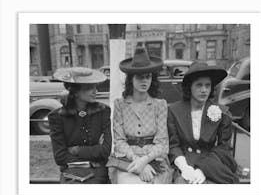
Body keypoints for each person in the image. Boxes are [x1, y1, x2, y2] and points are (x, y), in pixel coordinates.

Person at [107, 45, 173, 184]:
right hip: (127, 159)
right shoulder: (120, 104)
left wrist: (144, 161)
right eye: (139, 77)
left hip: (155, 160)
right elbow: (119, 141)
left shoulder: (159, 105)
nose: (144, 81)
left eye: (147, 77)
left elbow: (162, 143)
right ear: (131, 79)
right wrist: (137, 163)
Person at [168, 62, 239, 184]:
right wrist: (184, 167)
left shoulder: (222, 113)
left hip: (212, 163)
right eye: (199, 85)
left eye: (207, 85)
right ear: (190, 86)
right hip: (185, 162)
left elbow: (224, 148)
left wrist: (202, 169)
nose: (204, 90)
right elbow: (173, 145)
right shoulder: (174, 111)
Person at [48, 67, 112, 184]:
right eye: (89, 88)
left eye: (95, 87)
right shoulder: (57, 116)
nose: (95, 91)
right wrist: (91, 158)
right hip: (71, 171)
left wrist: (76, 150)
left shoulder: (103, 111)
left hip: (98, 170)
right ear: (75, 91)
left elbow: (105, 150)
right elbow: (60, 156)